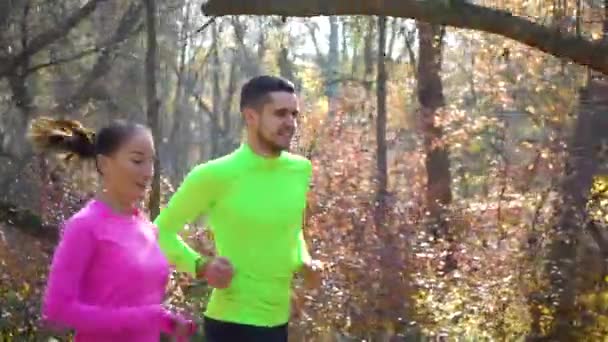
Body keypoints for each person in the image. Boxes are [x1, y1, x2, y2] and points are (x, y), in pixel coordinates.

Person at [154, 75, 323, 342]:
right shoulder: (214, 174)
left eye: (294, 114)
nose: (290, 123)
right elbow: (159, 233)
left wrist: (305, 262)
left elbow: (291, 231)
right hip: (232, 324)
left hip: (279, 323)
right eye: (280, 114)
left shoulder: (300, 170)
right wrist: (201, 266)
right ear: (250, 117)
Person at [30, 117, 196, 342]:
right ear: (104, 164)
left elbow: (139, 305)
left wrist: (168, 322)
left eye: (151, 162)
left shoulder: (146, 226)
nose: (148, 172)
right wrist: (143, 317)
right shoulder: (85, 226)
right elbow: (58, 310)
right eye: (138, 161)